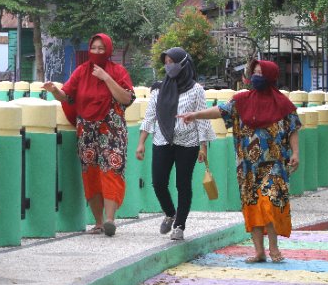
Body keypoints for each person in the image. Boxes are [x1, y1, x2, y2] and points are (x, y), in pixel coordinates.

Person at [178, 59, 300, 263]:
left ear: (270, 77)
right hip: (247, 167)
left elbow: (293, 129)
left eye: (261, 73)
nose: (256, 76)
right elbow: (220, 111)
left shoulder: (283, 104)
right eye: (255, 72)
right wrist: (196, 115)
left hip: (274, 164)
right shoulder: (241, 100)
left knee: (269, 203)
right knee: (252, 205)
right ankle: (259, 251)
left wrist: (296, 153)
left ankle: (274, 249)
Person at [43, 33, 134, 237]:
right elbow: (66, 96)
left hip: (112, 130)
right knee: (91, 174)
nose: (97, 52)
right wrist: (54, 91)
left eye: (101, 49)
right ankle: (99, 222)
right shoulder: (81, 71)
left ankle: (110, 219)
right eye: (94, 48)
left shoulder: (118, 71)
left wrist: (106, 78)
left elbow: (126, 98)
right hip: (87, 131)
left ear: (108, 50)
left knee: (112, 168)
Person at [135, 47, 215, 241]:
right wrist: (141, 143)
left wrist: (203, 147)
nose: (168, 66)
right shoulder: (158, 89)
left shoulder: (196, 90)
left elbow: (203, 119)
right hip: (162, 140)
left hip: (188, 143)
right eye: (166, 62)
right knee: (159, 182)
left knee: (183, 184)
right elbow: (150, 116)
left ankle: (179, 225)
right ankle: (170, 213)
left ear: (183, 64)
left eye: (172, 62)